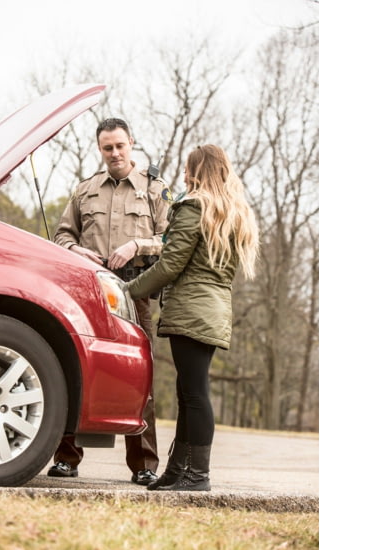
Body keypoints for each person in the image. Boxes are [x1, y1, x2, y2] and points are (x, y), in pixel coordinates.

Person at [124, 144, 259, 491]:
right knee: (189, 392)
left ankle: (197, 475)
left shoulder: (193, 206)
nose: (184, 175)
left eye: (188, 168)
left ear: (198, 170)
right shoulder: (229, 212)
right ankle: (178, 471)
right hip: (212, 310)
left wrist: (130, 290)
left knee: (195, 394)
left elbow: (171, 264)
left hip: (193, 309)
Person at [49, 117, 171, 485]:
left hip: (135, 293)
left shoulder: (155, 189)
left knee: (140, 380)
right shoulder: (84, 190)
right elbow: (60, 237)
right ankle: (66, 459)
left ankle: (145, 466)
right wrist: (77, 250)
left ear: (132, 143)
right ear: (99, 149)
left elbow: (171, 240)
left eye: (120, 145)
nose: (114, 153)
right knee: (77, 371)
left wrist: (138, 244)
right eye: (107, 148)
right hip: (87, 294)